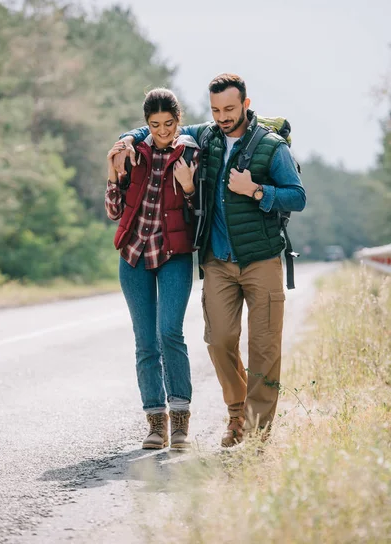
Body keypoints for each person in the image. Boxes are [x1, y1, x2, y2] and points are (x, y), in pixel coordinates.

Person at [113, 74, 306, 447]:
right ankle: (237, 412)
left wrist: (255, 190)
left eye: (230, 109)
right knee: (218, 340)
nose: (222, 116)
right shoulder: (207, 136)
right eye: (216, 110)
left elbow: (297, 196)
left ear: (246, 105)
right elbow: (161, 128)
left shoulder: (271, 146)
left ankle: (256, 431)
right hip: (217, 260)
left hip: (261, 259)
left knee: (264, 346)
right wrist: (128, 138)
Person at [105, 88, 199, 450]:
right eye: (155, 124)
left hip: (174, 255)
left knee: (170, 333)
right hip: (133, 257)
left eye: (169, 123)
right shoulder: (133, 153)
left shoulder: (192, 152)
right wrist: (113, 175)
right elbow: (114, 211)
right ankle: (155, 423)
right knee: (145, 343)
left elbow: (200, 213)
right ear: (146, 123)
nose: (162, 131)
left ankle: (180, 423)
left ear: (179, 120)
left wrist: (189, 188)